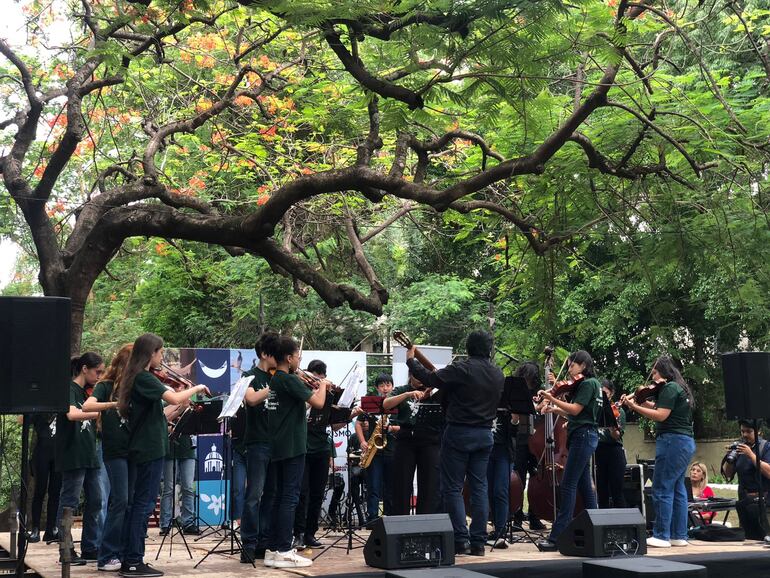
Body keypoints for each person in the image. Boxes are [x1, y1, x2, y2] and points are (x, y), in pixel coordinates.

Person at [117, 334, 210, 577]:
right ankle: (133, 560)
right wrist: (196, 387)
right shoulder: (144, 378)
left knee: (142, 504)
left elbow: (161, 413)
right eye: (160, 353)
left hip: (150, 447)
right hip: (148, 449)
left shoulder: (142, 379)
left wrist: (181, 405)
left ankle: (131, 558)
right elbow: (173, 396)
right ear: (150, 354)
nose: (162, 358)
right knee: (143, 505)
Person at [405, 330, 505, 557]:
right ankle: (478, 542)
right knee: (480, 488)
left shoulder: (462, 368)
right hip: (485, 434)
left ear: (468, 347)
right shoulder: (498, 373)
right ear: (489, 349)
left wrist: (411, 359)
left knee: (452, 487)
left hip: (460, 433)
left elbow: (430, 378)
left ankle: (461, 540)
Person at [263, 336, 328, 569]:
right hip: (292, 446)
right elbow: (319, 403)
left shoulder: (278, 380)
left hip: (280, 445)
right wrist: (322, 385)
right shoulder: (289, 380)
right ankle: (283, 549)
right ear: (289, 358)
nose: (300, 359)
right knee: (290, 498)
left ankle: (272, 549)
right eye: (298, 355)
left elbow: (299, 407)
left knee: (280, 497)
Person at [622, 355, 695, 548]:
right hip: (684, 442)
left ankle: (661, 536)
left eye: (654, 372)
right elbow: (659, 407)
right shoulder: (679, 387)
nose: (652, 377)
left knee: (661, 487)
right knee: (678, 489)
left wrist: (634, 406)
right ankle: (678, 535)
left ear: (662, 371)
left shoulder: (670, 387)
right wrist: (640, 403)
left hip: (672, 441)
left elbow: (661, 415)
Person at [536, 350, 602, 551]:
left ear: (583, 365)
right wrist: (555, 409)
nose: (570, 368)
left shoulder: (589, 383)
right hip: (583, 435)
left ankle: (557, 537)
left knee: (567, 484)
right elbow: (575, 412)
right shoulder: (591, 384)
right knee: (585, 488)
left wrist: (551, 397)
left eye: (572, 365)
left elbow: (575, 410)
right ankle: (597, 530)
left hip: (582, 437)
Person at [82, 344, 133, 572]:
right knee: (118, 500)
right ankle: (106, 555)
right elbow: (87, 405)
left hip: (133, 451)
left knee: (129, 502)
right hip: (114, 451)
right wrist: (114, 404)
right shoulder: (106, 385)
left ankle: (122, 551)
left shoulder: (135, 385)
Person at [56, 352, 104, 565]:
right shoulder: (68, 388)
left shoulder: (87, 393)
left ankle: (90, 547)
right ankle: (66, 549)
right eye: (97, 371)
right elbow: (72, 414)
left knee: (96, 501)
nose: (99, 376)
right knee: (69, 501)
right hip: (73, 453)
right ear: (85, 369)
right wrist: (103, 410)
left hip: (89, 453)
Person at [239, 331, 279, 563]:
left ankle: (265, 541)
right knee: (254, 494)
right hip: (257, 443)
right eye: (275, 355)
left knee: (271, 495)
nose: (278, 360)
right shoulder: (249, 375)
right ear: (265, 354)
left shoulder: (279, 374)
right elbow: (251, 399)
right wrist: (275, 384)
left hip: (276, 444)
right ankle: (249, 543)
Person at [382, 373, 441, 518]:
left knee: (429, 483)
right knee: (402, 482)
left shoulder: (433, 391)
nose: (420, 379)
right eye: (416, 375)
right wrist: (407, 394)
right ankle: (400, 521)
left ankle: (425, 521)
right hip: (406, 439)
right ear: (410, 376)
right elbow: (385, 404)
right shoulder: (402, 390)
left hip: (430, 439)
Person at [293, 359, 335, 549]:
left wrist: (349, 414)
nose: (319, 379)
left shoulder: (326, 393)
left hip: (321, 448)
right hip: (303, 447)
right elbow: (303, 411)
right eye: (316, 376)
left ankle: (310, 533)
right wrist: (317, 391)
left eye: (322, 376)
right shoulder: (302, 391)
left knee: (318, 493)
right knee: (302, 493)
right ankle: (298, 533)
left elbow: (334, 423)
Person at [356, 373, 399, 523]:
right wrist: (362, 441)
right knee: (373, 487)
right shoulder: (371, 404)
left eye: (388, 385)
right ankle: (372, 519)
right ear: (377, 388)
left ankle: (390, 517)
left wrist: (392, 428)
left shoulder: (398, 402)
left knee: (391, 488)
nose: (385, 388)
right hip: (374, 452)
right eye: (382, 385)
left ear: (393, 386)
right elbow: (358, 423)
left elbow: (405, 425)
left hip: (393, 451)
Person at [510, 361, 546, 531]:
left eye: (531, 379)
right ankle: (516, 518)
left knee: (536, 480)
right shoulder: (515, 391)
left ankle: (534, 516)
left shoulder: (537, 391)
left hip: (536, 441)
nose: (528, 383)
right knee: (519, 480)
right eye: (526, 378)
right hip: (521, 440)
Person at [722, 420, 770, 539]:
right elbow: (728, 474)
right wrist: (730, 458)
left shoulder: (765, 447)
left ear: (759, 432)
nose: (744, 435)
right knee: (747, 539)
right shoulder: (739, 448)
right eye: (742, 431)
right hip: (744, 502)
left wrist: (751, 455)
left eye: (749, 431)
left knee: (765, 538)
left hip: (764, 503)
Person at [27, 412, 61, 544]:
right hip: (41, 451)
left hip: (59, 452)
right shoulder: (38, 407)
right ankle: (35, 529)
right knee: (39, 491)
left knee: (55, 491)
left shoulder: (61, 405)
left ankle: (51, 529)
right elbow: (22, 420)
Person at [595, 379, 627, 509]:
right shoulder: (595, 410)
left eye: (606, 393)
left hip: (614, 452)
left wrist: (612, 425)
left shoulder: (619, 411)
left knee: (616, 491)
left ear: (611, 393)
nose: (603, 397)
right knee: (601, 492)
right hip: (598, 451)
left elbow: (616, 436)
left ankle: (622, 526)